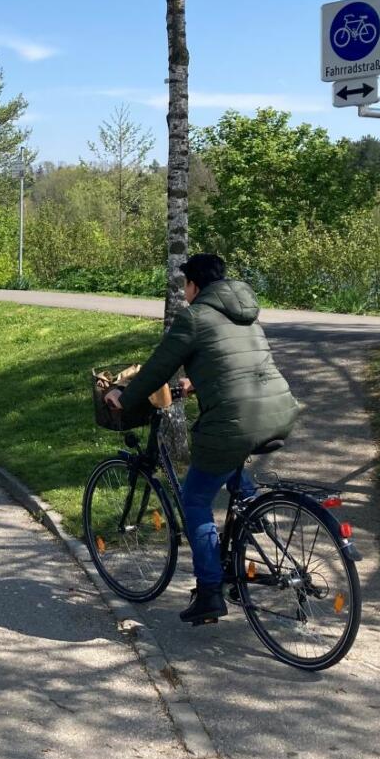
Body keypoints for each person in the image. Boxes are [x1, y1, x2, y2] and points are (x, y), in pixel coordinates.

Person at [104, 253, 299, 625]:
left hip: (235, 422)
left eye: (185, 287)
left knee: (194, 498)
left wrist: (122, 396)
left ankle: (210, 592)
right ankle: (252, 511)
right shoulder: (246, 313)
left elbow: (159, 366)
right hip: (278, 412)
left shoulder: (194, 317)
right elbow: (237, 362)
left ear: (194, 285)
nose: (185, 294)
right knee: (225, 457)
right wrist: (198, 379)